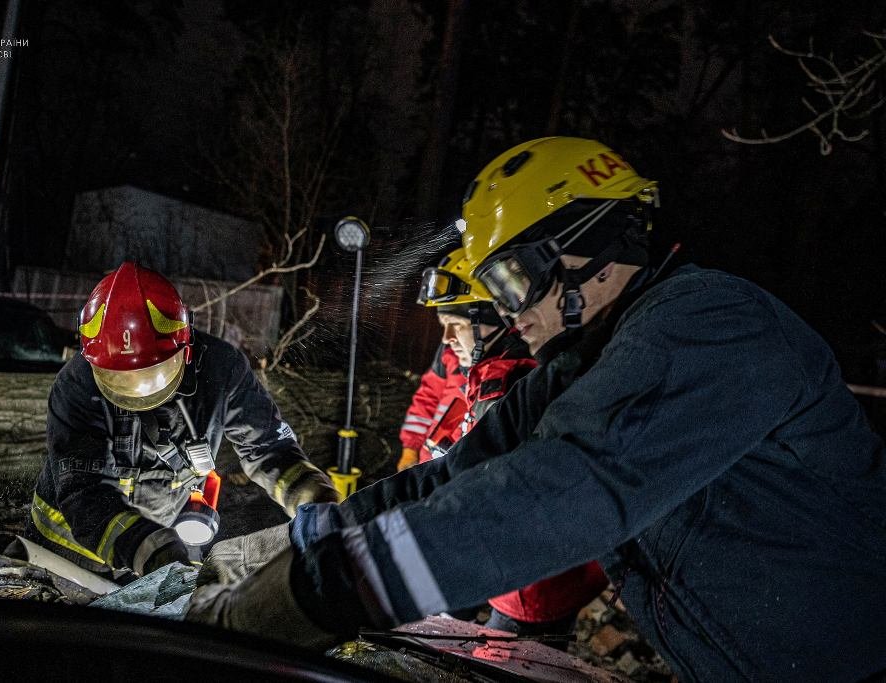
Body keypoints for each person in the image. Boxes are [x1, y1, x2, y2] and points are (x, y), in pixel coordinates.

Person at [187, 138, 886, 681]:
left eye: (512, 278)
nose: (504, 309)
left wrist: (323, 590)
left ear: (591, 249)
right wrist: (310, 536)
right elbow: (455, 474)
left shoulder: (707, 325)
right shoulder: (592, 362)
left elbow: (558, 491)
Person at [25, 261, 338, 576]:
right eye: (118, 379)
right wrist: (151, 551)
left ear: (185, 348)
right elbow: (84, 491)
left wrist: (309, 492)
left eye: (151, 375)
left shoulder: (221, 370)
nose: (137, 391)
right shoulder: (77, 384)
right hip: (65, 553)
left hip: (154, 544)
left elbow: (269, 447)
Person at [417, 248, 609, 640]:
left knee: (501, 661)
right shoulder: (501, 371)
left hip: (530, 585)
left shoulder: (506, 384)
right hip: (540, 573)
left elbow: (484, 497)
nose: (447, 339)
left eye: (455, 325)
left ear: (495, 321)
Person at [395, 343, 464, 469]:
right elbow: (426, 400)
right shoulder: (449, 351)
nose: (447, 336)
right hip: (428, 461)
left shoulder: (504, 358)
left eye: (458, 324)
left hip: (459, 471)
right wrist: (411, 449)